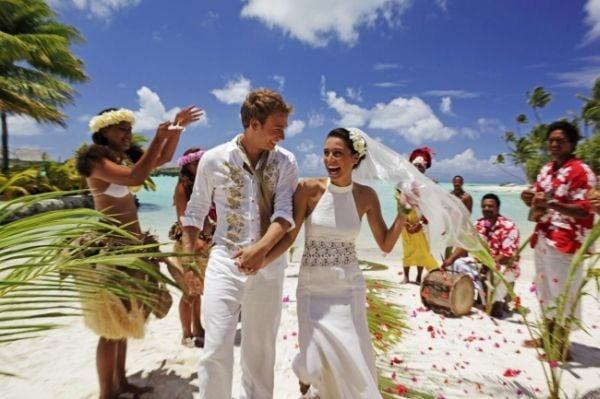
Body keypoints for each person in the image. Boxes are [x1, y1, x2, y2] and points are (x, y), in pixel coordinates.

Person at [262, 127, 408, 398]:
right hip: (312, 288)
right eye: (326, 153)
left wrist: (403, 214)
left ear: (355, 158)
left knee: (352, 358)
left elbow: (386, 244)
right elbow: (289, 238)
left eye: (338, 154)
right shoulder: (309, 190)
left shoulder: (366, 196)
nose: (330, 160)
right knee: (312, 362)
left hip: (348, 290)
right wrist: (261, 259)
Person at [76, 106, 203, 398]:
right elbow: (135, 177)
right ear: (103, 131)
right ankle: (107, 392)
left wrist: (176, 128)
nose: (126, 134)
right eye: (120, 128)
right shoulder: (96, 160)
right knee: (110, 329)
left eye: (129, 129)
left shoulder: (123, 157)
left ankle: (121, 383)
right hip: (112, 250)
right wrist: (158, 137)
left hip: (132, 248)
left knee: (125, 321)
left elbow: (162, 159)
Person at [181, 89, 297, 399]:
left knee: (260, 353)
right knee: (216, 347)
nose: (283, 136)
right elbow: (194, 212)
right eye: (278, 128)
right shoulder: (214, 158)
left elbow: (285, 213)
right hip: (223, 261)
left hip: (270, 267)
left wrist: (261, 251)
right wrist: (189, 261)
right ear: (254, 124)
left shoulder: (286, 162)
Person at [520, 120, 597, 350]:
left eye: (559, 141)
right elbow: (539, 204)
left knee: (563, 293)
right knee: (544, 290)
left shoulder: (581, 171)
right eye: (551, 140)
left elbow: (585, 209)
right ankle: (546, 336)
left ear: (572, 144)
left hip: (566, 242)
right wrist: (530, 200)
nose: (553, 144)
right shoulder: (546, 170)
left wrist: (552, 204)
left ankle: (561, 346)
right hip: (543, 236)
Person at [442, 193, 520, 318]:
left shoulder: (509, 227)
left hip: (503, 267)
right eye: (484, 206)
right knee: (458, 263)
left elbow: (507, 255)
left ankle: (499, 301)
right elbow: (466, 244)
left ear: (498, 208)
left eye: (490, 206)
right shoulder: (479, 224)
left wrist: (489, 263)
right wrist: (450, 259)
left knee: (494, 311)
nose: (486, 209)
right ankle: (472, 294)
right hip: (483, 264)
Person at [168, 148, 216, 348]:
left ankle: (198, 328)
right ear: (187, 165)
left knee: (197, 291)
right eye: (195, 163)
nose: (199, 166)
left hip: (204, 243)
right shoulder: (182, 187)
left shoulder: (205, 183)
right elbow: (182, 218)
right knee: (188, 292)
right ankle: (186, 333)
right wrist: (195, 241)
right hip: (188, 245)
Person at [401, 147, 438, 284]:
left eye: (421, 167)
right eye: (415, 165)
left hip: (422, 222)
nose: (417, 168)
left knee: (423, 250)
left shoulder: (428, 185)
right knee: (407, 249)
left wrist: (421, 223)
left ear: (425, 169)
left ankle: (418, 276)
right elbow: (399, 203)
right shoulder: (404, 184)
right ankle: (405, 276)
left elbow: (431, 206)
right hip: (406, 220)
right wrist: (404, 223)